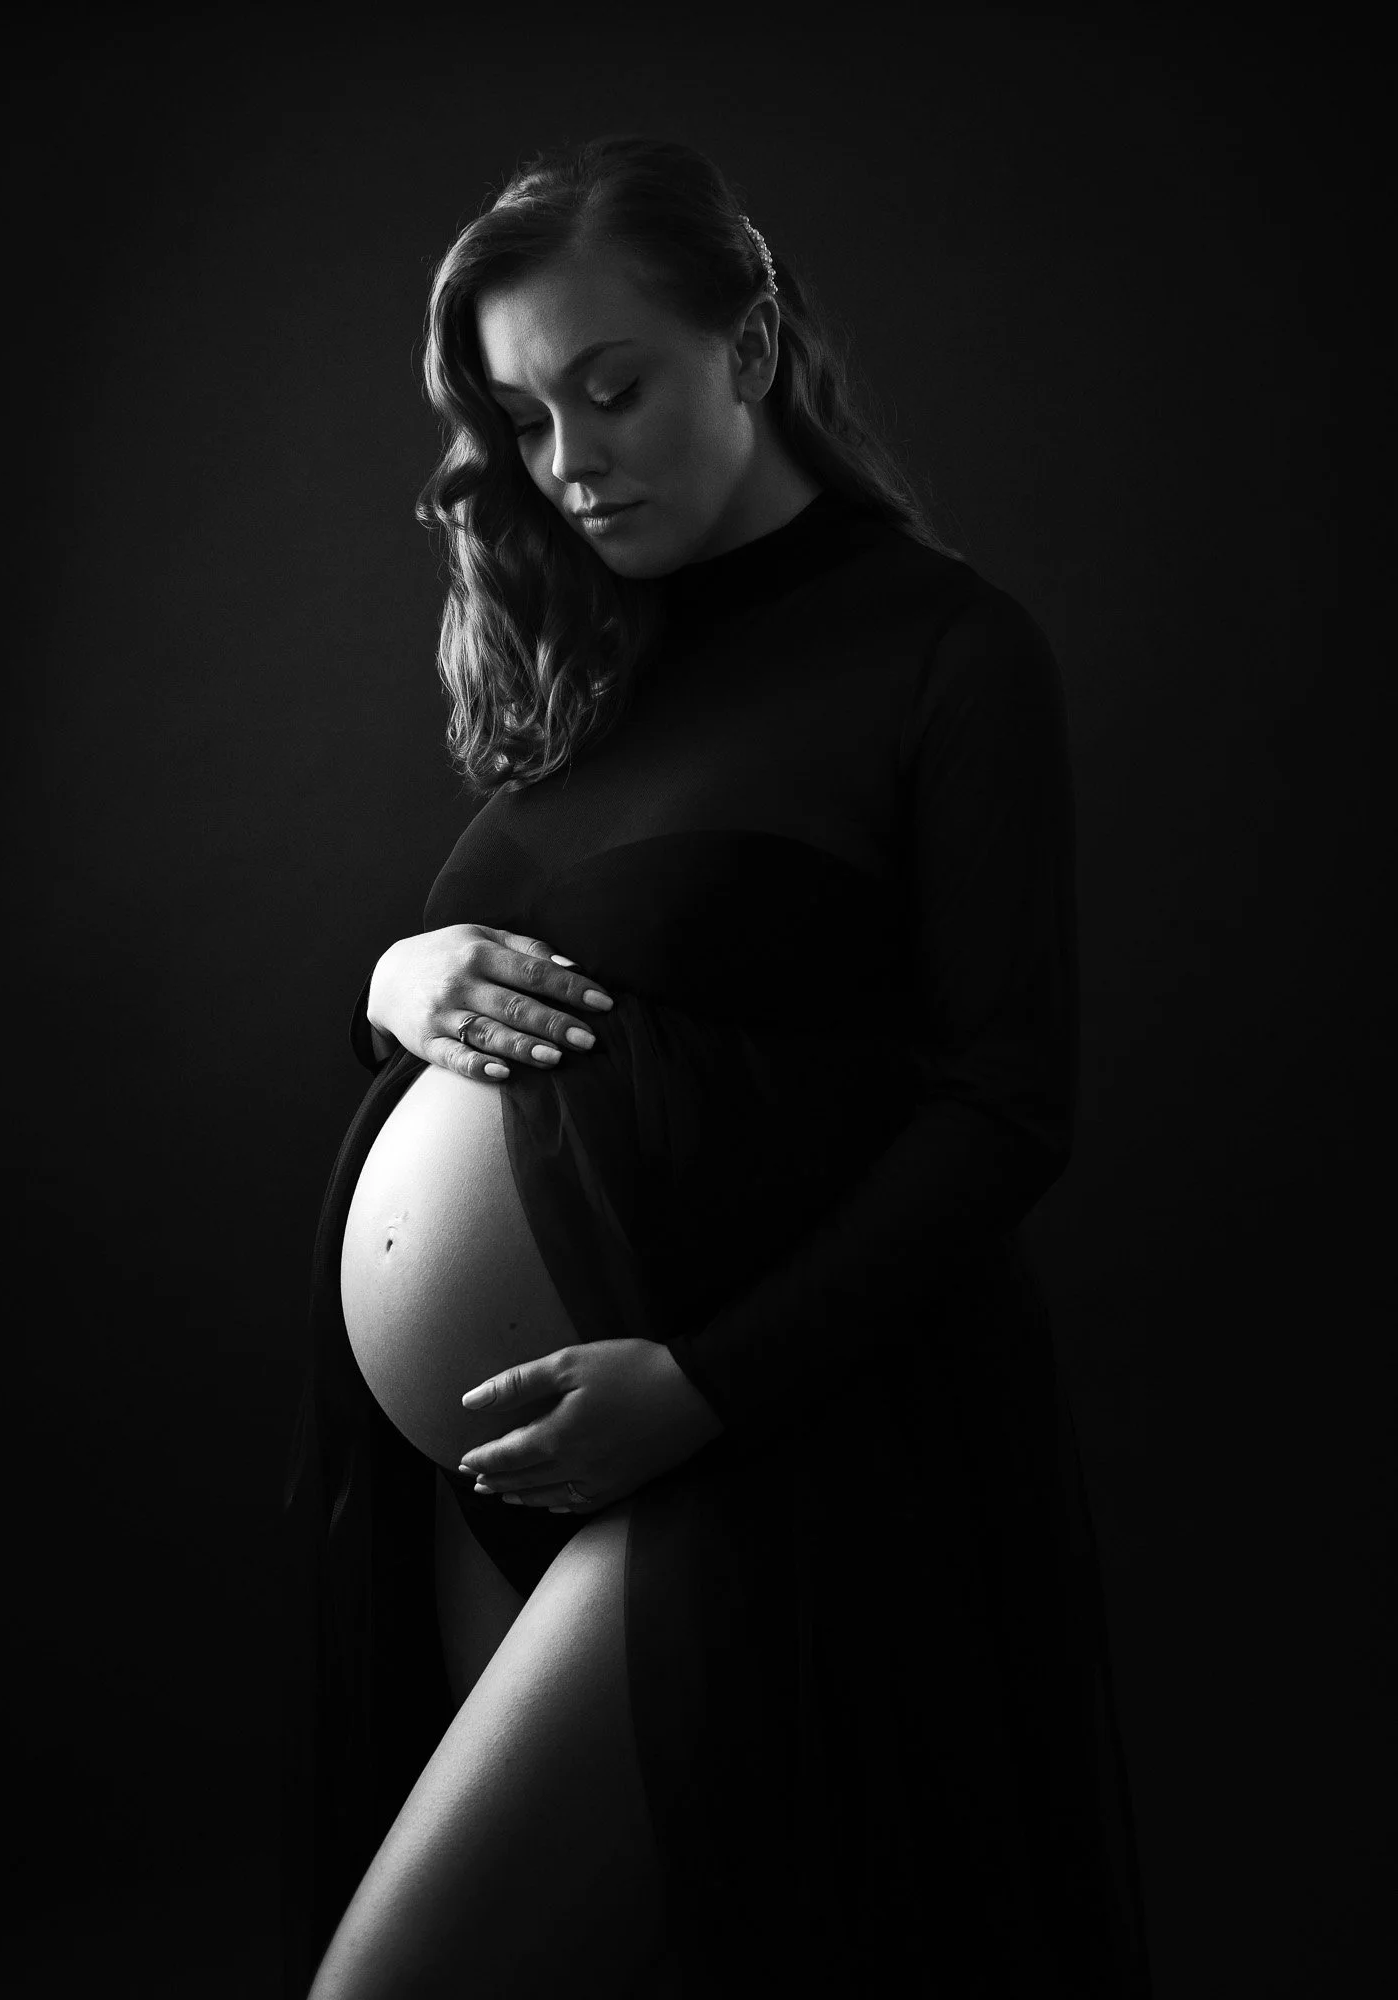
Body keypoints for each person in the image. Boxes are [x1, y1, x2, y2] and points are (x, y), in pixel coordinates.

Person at [283, 133, 1153, 1999]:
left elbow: (1007, 1107)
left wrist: (702, 1386)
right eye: (522, 420)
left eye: (614, 389)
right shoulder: (596, 665)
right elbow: (528, 998)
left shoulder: (946, 651)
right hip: (490, 1462)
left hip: (763, 1439)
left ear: (747, 350)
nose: (572, 461)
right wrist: (396, 976)